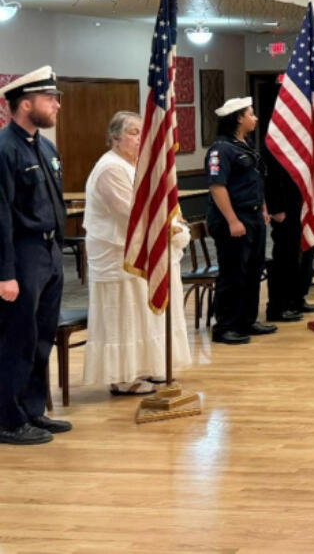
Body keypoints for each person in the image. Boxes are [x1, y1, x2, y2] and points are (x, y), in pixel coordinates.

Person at [82, 111, 191, 395]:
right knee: (125, 315)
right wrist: (171, 229)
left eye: (142, 131)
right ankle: (123, 376)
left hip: (142, 254)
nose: (140, 137)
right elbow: (132, 215)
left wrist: (175, 224)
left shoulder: (137, 166)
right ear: (114, 138)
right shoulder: (110, 169)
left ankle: (146, 368)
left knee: (145, 314)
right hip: (119, 257)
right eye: (132, 132)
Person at [0, 67, 70, 444]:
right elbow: (1, 217)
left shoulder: (44, 146)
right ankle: (8, 419)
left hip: (49, 251)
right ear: (24, 104)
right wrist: (5, 273)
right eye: (49, 98)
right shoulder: (5, 149)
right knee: (18, 337)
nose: (56, 104)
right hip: (22, 253)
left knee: (42, 336)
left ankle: (32, 410)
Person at [206, 97, 274, 345]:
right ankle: (225, 326)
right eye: (251, 114)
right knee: (234, 272)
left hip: (253, 215)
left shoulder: (245, 146)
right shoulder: (221, 149)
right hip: (234, 218)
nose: (255, 118)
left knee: (254, 270)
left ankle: (247, 319)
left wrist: (263, 208)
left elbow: (255, 181)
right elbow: (217, 186)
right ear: (238, 118)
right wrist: (233, 220)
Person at [263, 139, 314, 322]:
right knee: (285, 257)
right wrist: (275, 208)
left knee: (305, 255)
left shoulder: (302, 144)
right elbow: (271, 179)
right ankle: (280, 305)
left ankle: (297, 298)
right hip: (286, 211)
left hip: (302, 208)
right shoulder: (277, 145)